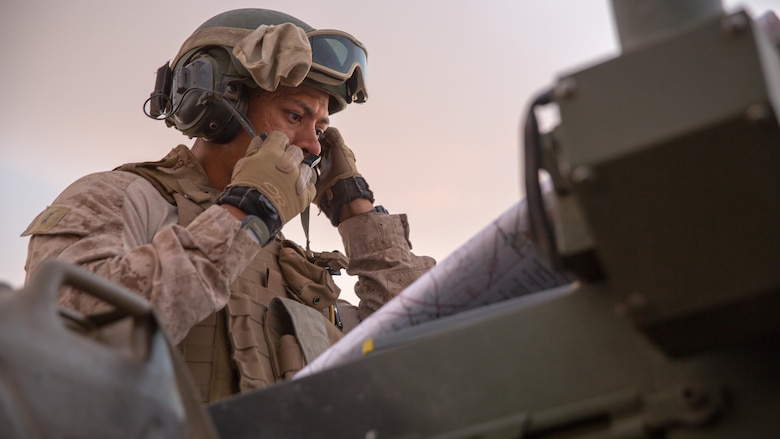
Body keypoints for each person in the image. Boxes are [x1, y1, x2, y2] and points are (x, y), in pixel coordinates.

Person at [21, 8, 435, 403]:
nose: (312, 145)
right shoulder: (121, 198)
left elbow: (427, 345)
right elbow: (63, 338)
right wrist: (247, 213)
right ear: (218, 104)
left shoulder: (295, 272)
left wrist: (356, 210)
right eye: (294, 115)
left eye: (321, 129)